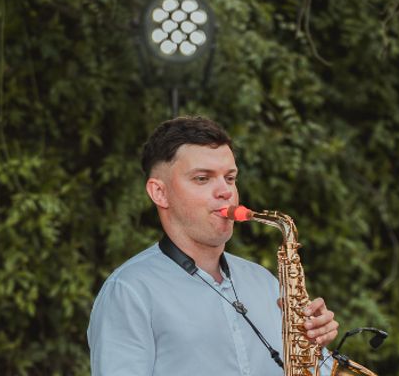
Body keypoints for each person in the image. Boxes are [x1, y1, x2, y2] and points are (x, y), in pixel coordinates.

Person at [87, 116, 339, 375]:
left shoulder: (266, 283)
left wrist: (313, 349)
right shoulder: (129, 291)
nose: (225, 192)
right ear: (159, 193)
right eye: (202, 179)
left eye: (230, 178)